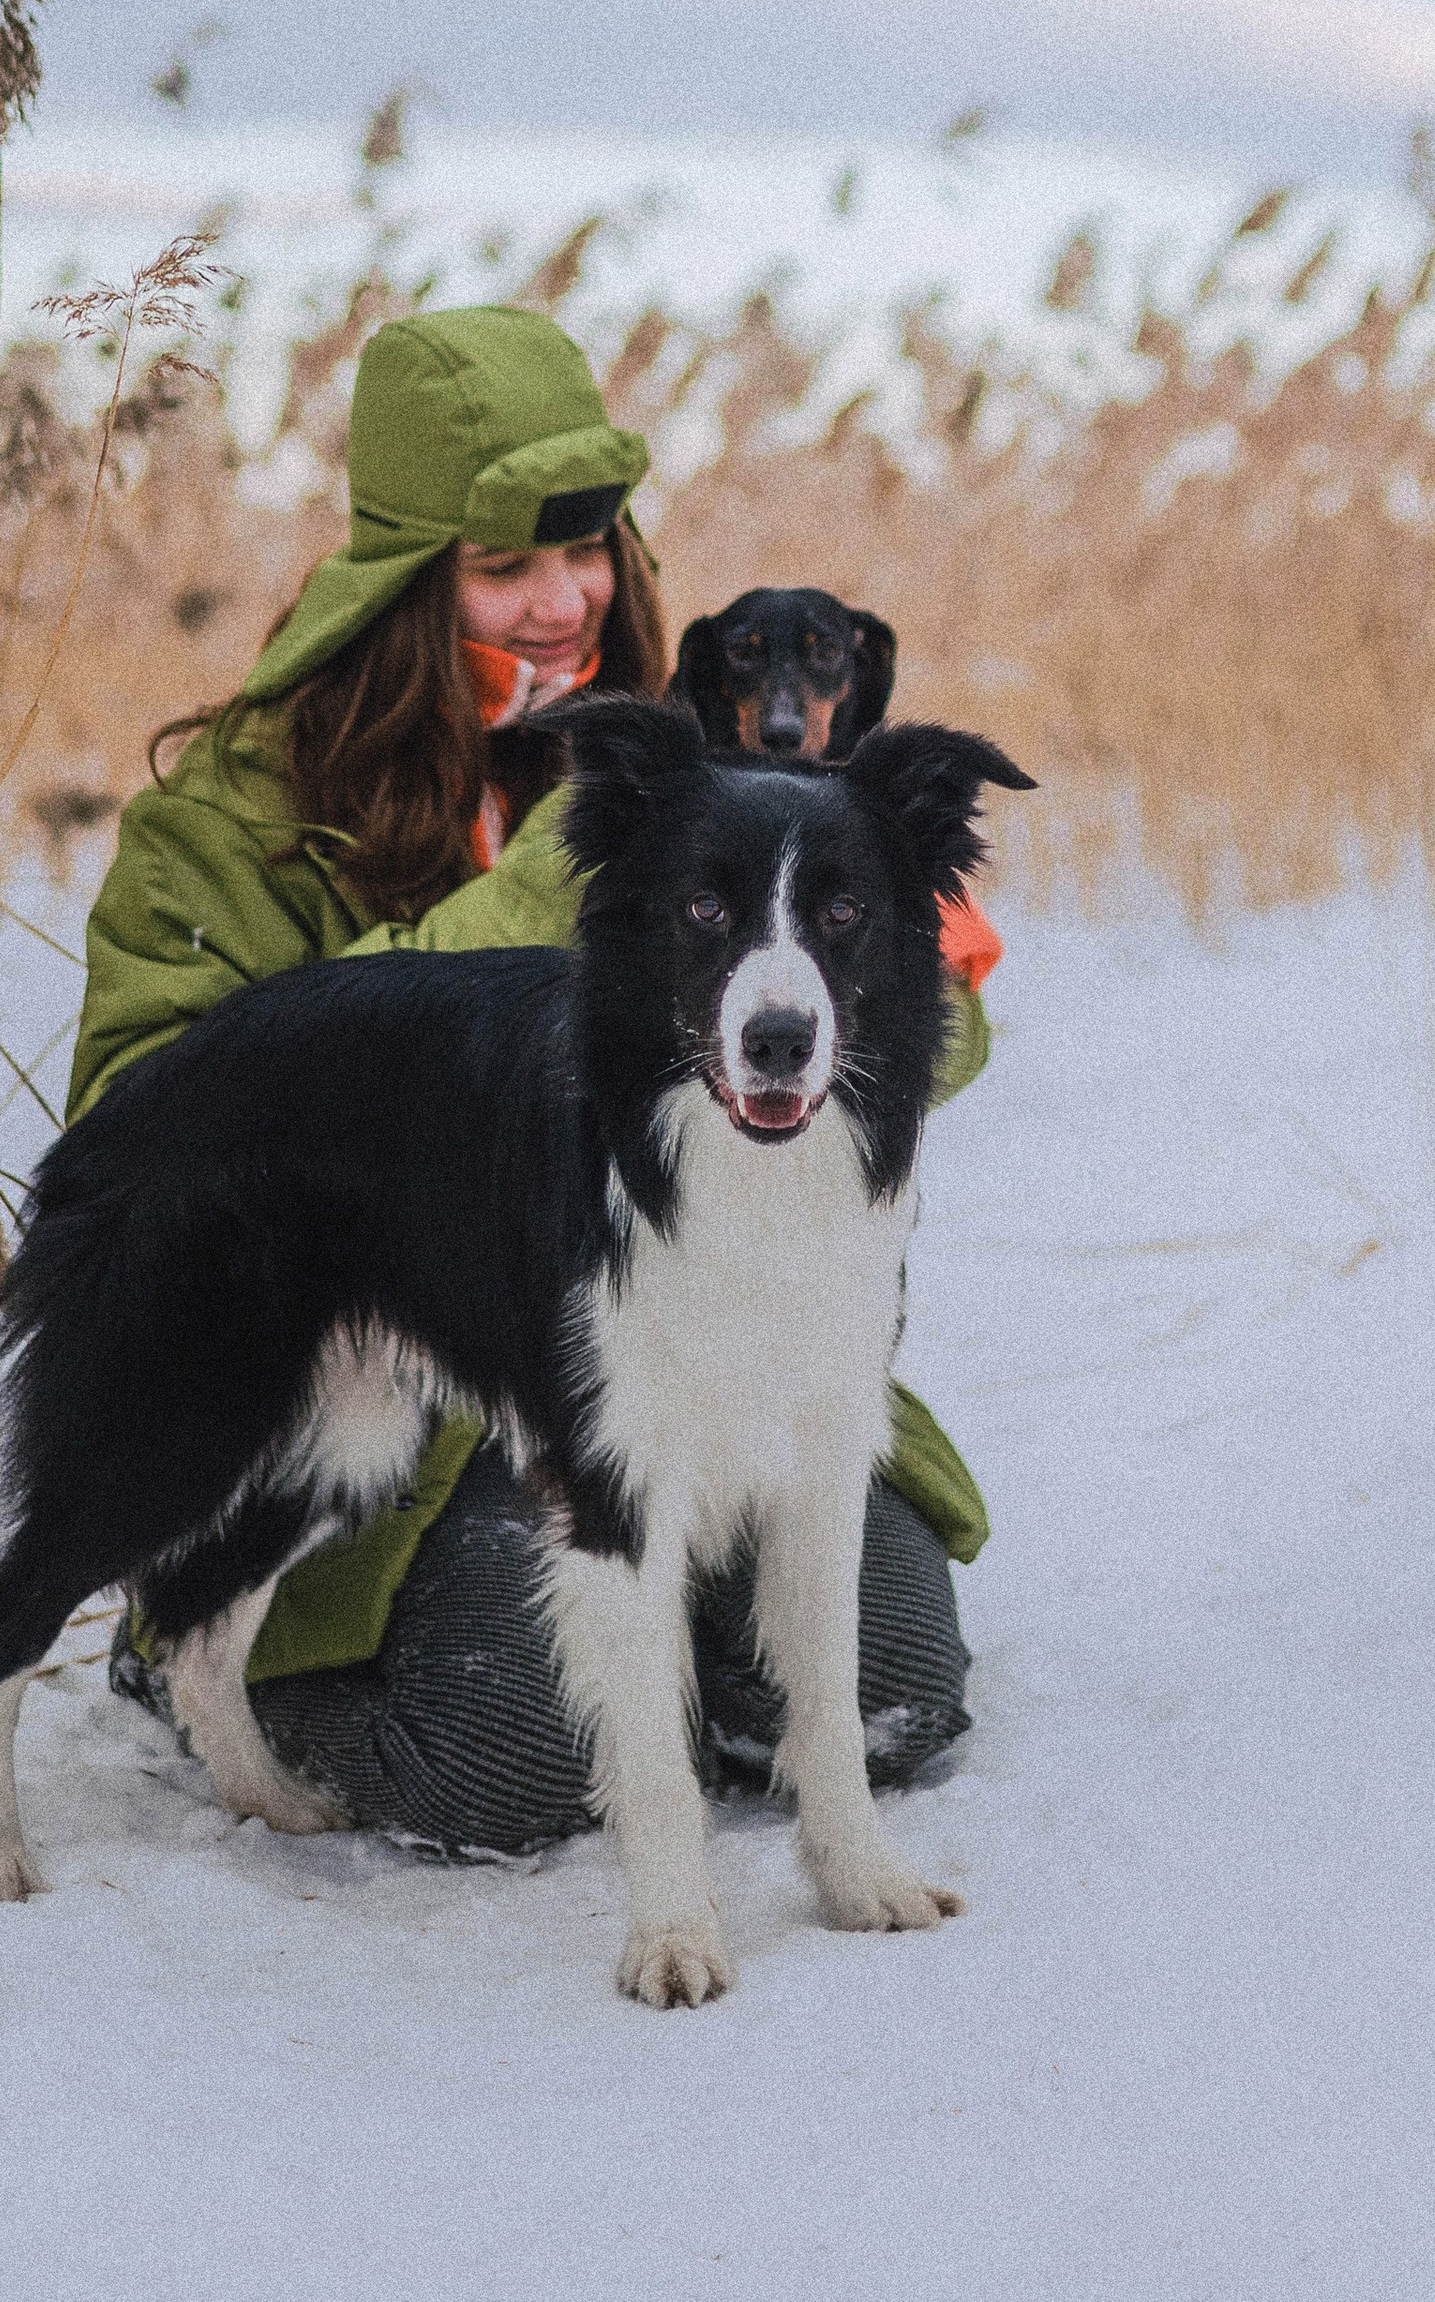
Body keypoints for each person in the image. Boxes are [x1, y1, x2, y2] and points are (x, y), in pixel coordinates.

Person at [68, 303, 994, 1858]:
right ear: (405, 578)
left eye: (590, 548)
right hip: (393, 1407)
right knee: (520, 1757)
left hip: (693, 1362)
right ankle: (197, 1635)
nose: (564, 600)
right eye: (505, 565)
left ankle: (662, 1659)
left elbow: (893, 1060)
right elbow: (156, 1125)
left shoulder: (706, 760)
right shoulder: (233, 818)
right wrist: (555, 907)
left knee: (897, 1684)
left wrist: (882, 956)